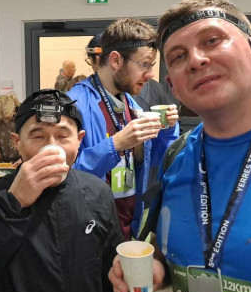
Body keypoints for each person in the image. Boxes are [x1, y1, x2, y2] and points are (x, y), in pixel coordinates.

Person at [108, 0, 251, 292]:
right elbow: (169, 251)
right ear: (173, 87)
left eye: (212, 40)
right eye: (178, 56)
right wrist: (155, 269)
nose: (196, 60)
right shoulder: (176, 157)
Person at [0, 89, 134, 292]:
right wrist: (13, 202)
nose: (51, 147)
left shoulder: (98, 193)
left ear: (79, 141)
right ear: (17, 142)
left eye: (63, 136)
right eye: (38, 136)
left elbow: (113, 281)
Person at [68, 18, 179, 240]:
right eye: (145, 64)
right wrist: (116, 144)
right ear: (116, 60)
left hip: (128, 223)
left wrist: (167, 130)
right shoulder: (75, 105)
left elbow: (155, 160)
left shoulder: (130, 104)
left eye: (152, 66)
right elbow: (64, 176)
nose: (150, 74)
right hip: (89, 229)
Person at [0, 92, 21, 165]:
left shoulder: (22, 114)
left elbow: (30, 138)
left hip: (21, 160)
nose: (5, 121)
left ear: (13, 109)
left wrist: (23, 158)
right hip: (3, 161)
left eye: (8, 118)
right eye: (2, 118)